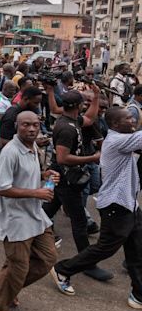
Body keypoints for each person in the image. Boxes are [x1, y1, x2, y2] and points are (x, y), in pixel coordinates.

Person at [50, 107, 142, 310]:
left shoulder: (122, 139)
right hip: (116, 205)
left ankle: (139, 292)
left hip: (129, 203)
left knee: (137, 248)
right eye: (128, 118)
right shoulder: (117, 141)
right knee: (106, 248)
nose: (133, 119)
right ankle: (63, 270)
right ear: (116, 124)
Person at [0, 111, 59, 311]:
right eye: (26, 125)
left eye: (35, 124)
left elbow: (27, 175)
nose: (32, 129)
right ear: (17, 126)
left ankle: (6, 286)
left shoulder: (32, 146)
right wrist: (37, 193)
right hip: (16, 218)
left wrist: (44, 176)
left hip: (34, 214)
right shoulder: (10, 151)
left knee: (47, 257)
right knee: (18, 265)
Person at [43, 89, 113, 281]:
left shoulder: (74, 120)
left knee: (46, 210)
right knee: (79, 221)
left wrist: (97, 97)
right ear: (77, 106)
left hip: (61, 178)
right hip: (66, 179)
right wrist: (92, 157)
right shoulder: (66, 128)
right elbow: (62, 157)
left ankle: (26, 237)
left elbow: (89, 119)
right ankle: (87, 264)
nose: (86, 107)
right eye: (84, 103)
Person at [0, 86, 43, 233]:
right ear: (25, 99)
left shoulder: (22, 114)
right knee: (0, 191)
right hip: (6, 161)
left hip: (13, 161)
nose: (37, 106)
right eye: (35, 103)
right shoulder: (12, 115)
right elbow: (4, 142)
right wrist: (30, 142)